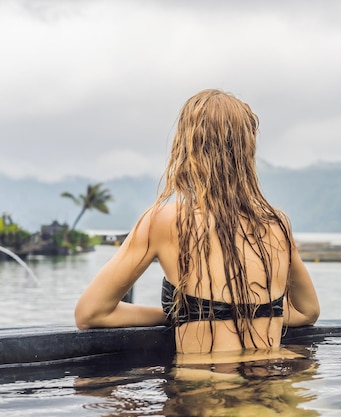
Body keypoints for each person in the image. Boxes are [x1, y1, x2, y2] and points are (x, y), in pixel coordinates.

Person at [75, 89, 320, 355]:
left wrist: (176, 314)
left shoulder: (165, 220)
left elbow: (91, 313)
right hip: (271, 389)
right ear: (247, 152)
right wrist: (251, 316)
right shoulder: (275, 223)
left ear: (186, 148)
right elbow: (307, 311)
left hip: (203, 391)